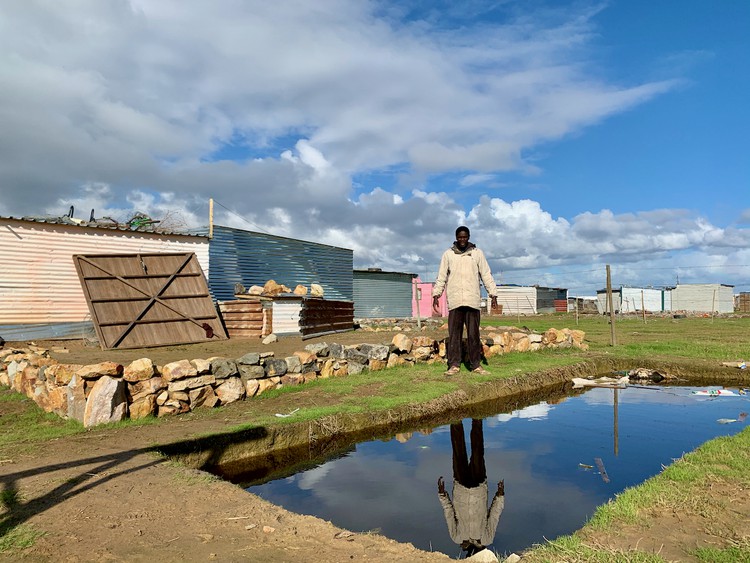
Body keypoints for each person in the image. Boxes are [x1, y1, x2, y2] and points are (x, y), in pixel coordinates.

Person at [432, 226, 498, 376]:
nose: (462, 240)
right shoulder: (448, 255)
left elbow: (486, 274)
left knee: (474, 335)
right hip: (455, 301)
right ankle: (454, 365)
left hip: (472, 300)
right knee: (454, 335)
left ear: (468, 237)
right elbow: (441, 276)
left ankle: (476, 365)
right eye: (459, 237)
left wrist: (493, 294)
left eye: (465, 237)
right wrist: (436, 294)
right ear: (456, 237)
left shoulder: (477, 254)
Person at [437, 419, 505, 557]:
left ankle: (455, 420)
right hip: (479, 488)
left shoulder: (457, 538)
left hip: (460, 489)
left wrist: (442, 495)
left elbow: (449, 513)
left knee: (458, 451)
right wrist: (500, 496)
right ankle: (477, 419)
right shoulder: (486, 538)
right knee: (478, 451)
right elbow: (494, 516)